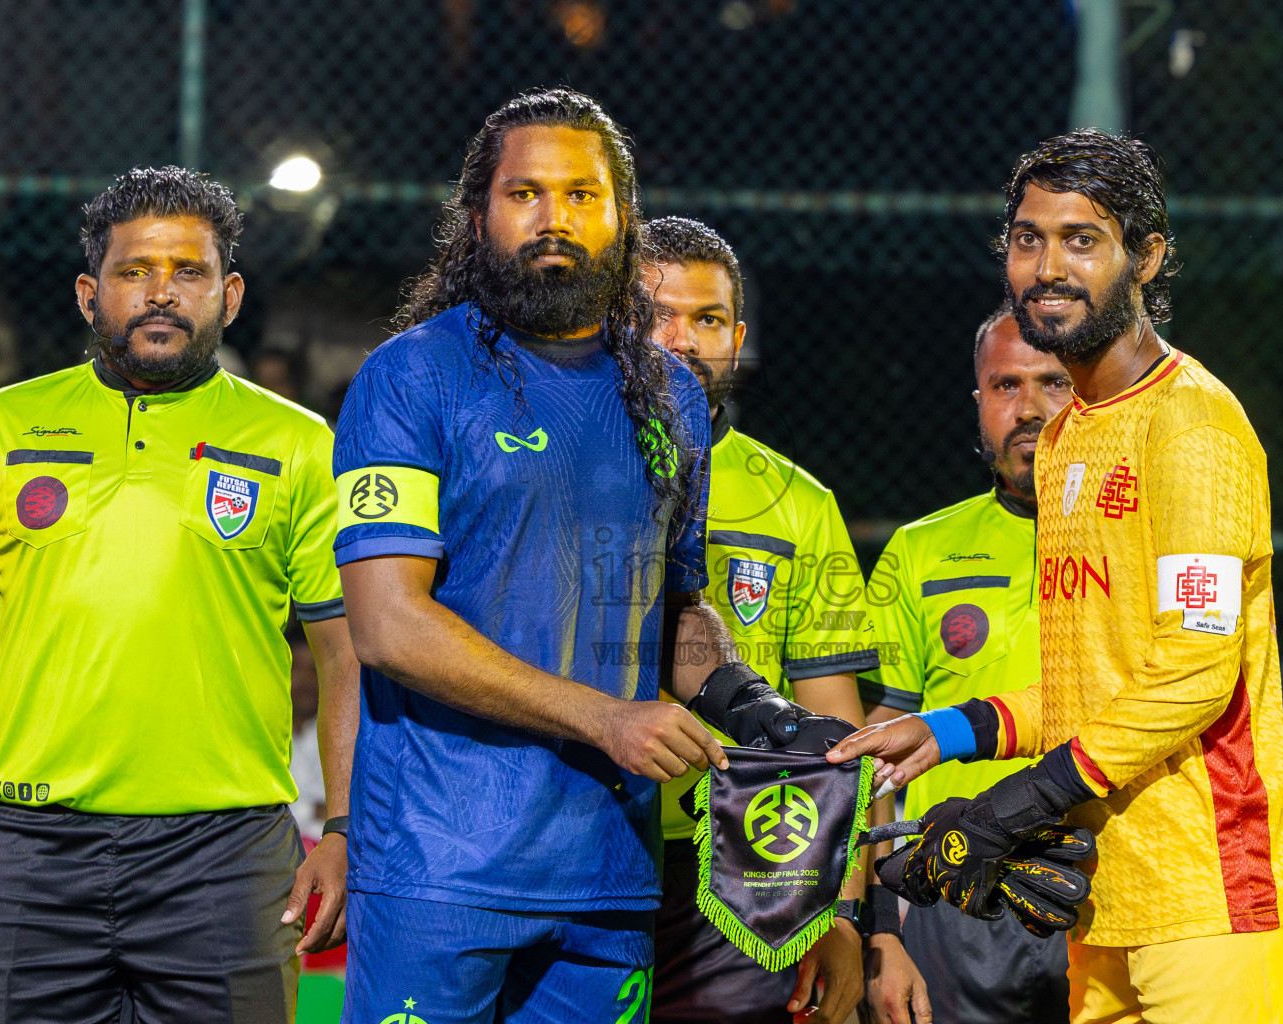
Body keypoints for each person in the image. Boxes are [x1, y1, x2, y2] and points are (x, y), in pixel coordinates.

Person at [334, 89, 851, 1024]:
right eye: (524, 193)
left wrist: (760, 710)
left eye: (582, 194)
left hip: (608, 873)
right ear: (477, 213)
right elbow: (386, 626)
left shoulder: (672, 402)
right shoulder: (410, 376)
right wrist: (608, 720)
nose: (553, 218)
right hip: (438, 867)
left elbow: (675, 614)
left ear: (622, 214)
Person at [827, 130, 1283, 1022]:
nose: (1047, 267)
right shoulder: (1067, 437)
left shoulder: (1193, 427)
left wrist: (1019, 803)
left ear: (1147, 257)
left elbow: (1194, 670)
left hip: (1219, 896)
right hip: (1104, 902)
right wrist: (955, 730)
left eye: (1081, 240)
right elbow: (1097, 679)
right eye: (1029, 239)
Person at [0, 167, 359, 1023]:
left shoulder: (297, 443)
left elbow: (346, 654)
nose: (160, 292)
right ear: (88, 293)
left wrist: (341, 830)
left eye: (187, 272)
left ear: (228, 294)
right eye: (133, 270)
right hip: (36, 847)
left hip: (226, 853)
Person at [640, 216, 873, 1024]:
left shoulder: (800, 503)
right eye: (654, 316)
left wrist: (842, 911)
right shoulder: (554, 465)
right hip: (582, 842)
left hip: (742, 864)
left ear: (737, 338)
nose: (682, 340)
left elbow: (835, 721)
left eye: (706, 320)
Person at [857, 307, 1073, 1024]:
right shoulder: (919, 552)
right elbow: (876, 746)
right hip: (954, 892)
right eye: (1006, 386)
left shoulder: (1146, 543)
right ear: (979, 402)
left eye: (1056, 383)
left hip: (1102, 880)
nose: (1031, 409)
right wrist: (884, 927)